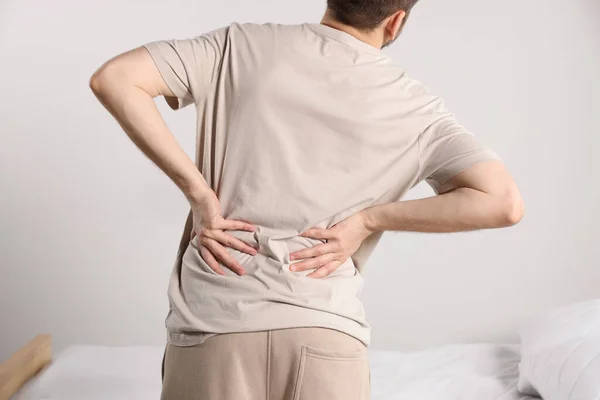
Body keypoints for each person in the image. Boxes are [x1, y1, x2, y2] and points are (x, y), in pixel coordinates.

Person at [89, 0, 524, 398]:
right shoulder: (417, 108)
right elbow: (503, 202)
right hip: (327, 335)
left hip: (218, 323)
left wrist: (198, 192)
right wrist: (369, 220)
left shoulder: (239, 45)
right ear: (396, 21)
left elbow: (115, 78)